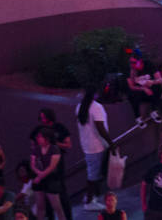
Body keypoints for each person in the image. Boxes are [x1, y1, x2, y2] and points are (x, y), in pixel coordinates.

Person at [76, 84, 114, 212]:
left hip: (87, 144)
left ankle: (90, 196)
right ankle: (89, 201)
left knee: (93, 172)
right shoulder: (96, 107)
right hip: (97, 145)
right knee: (93, 175)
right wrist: (111, 143)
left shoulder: (80, 106)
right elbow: (100, 127)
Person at [31, 127, 67, 220]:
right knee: (40, 206)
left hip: (51, 179)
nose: (38, 139)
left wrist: (40, 177)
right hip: (39, 179)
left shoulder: (54, 149)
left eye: (40, 137)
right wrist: (39, 174)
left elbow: (52, 167)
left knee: (57, 207)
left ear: (47, 138)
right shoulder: (36, 149)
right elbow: (33, 164)